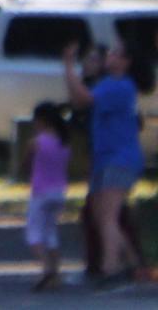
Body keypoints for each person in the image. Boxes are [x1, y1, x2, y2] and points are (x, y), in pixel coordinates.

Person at [62, 39, 145, 286]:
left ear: (126, 62)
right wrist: (71, 71)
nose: (109, 56)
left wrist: (68, 66)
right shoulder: (108, 84)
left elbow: (84, 98)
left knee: (108, 216)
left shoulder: (121, 86)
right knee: (100, 214)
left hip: (120, 158)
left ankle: (111, 269)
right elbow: (79, 100)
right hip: (105, 157)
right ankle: (133, 264)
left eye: (116, 53)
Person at [22, 102, 71, 292]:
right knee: (51, 232)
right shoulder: (64, 142)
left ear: (40, 121)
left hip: (40, 193)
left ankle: (46, 268)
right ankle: (56, 274)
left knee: (34, 234)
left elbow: (26, 165)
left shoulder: (36, 142)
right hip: (59, 193)